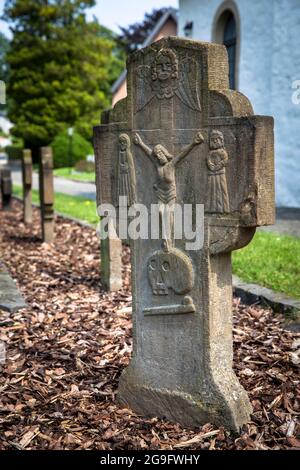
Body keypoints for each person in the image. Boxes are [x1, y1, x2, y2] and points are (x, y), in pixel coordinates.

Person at [133, 131, 204, 251]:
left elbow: (182, 154)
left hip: (171, 194)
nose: (159, 156)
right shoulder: (157, 165)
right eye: (157, 155)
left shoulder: (171, 165)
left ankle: (168, 240)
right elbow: (149, 153)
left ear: (165, 154)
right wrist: (140, 143)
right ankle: (165, 240)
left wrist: (194, 143)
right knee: (161, 212)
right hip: (160, 193)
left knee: (168, 213)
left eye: (161, 154)